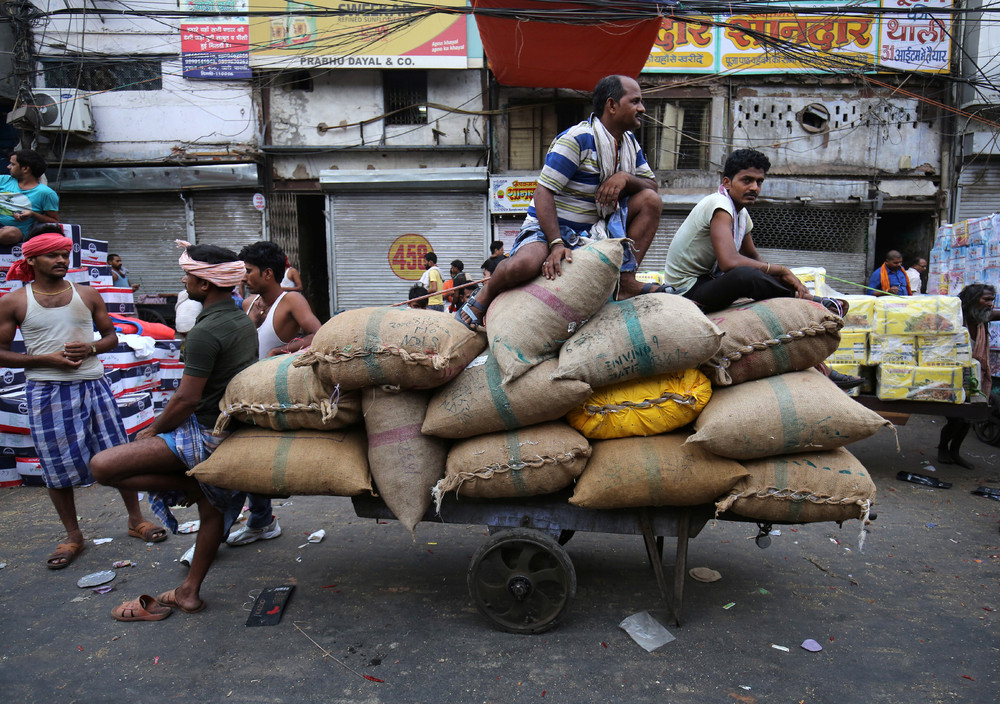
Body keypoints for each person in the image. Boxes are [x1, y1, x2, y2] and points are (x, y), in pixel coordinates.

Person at [90, 241, 258, 618]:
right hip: (229, 426)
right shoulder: (240, 319)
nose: (183, 281)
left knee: (102, 466)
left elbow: (184, 400)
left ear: (203, 285)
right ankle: (188, 592)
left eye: (188, 275)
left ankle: (192, 483)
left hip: (205, 433)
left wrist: (151, 431)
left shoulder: (207, 331)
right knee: (211, 511)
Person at [0, 231, 167, 570]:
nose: (61, 260)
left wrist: (91, 348)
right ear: (31, 260)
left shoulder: (87, 294)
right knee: (56, 466)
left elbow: (111, 336)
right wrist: (44, 359)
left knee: (118, 456)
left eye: (65, 254)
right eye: (52, 255)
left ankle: (136, 520)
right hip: (46, 391)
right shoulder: (15, 301)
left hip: (94, 385)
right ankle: (73, 535)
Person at [457, 74, 663, 328]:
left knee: (650, 201)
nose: (642, 108)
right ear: (612, 105)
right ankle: (485, 295)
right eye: (636, 102)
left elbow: (652, 188)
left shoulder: (630, 144)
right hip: (549, 230)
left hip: (596, 231)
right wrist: (555, 244)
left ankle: (625, 281)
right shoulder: (577, 139)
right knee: (526, 264)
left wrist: (625, 179)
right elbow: (543, 192)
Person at [663, 148, 861, 389]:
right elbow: (730, 262)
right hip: (687, 291)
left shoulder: (742, 215)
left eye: (759, 182)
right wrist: (780, 270)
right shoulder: (719, 204)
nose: (755, 187)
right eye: (747, 180)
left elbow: (754, 257)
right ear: (727, 182)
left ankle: (818, 349)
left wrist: (786, 277)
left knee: (762, 291)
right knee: (743, 276)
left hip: (709, 283)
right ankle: (810, 303)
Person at [221, 241, 323, 550]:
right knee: (248, 463)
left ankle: (218, 533)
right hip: (243, 392)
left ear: (267, 273)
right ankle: (261, 520)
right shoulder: (249, 305)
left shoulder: (291, 300)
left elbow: (318, 332)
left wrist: (287, 347)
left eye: (248, 271)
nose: (244, 276)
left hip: (267, 396)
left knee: (239, 463)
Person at [938, 283, 1000, 470]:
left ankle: (955, 452)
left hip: (974, 375)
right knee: (954, 418)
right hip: (952, 373)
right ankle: (942, 449)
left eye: (992, 300)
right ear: (972, 300)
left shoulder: (983, 318)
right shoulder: (955, 317)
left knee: (969, 416)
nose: (990, 304)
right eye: (986, 299)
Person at [0, 150, 60, 245]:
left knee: (10, 234)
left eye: (12, 164)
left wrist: (32, 214)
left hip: (14, 231)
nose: (8, 167)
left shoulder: (46, 193)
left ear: (25, 169)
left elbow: (54, 221)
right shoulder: (3, 180)